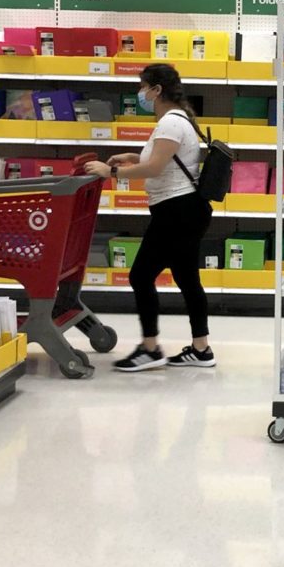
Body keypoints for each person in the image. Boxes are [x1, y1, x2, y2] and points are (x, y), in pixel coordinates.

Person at [84, 65, 215, 371]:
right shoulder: (181, 118)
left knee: (140, 276)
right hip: (185, 209)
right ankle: (201, 348)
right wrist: (132, 157)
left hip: (175, 211)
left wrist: (111, 172)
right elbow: (166, 160)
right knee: (187, 280)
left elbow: (155, 168)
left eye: (143, 87)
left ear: (157, 90)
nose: (140, 93)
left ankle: (150, 349)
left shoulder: (170, 122)